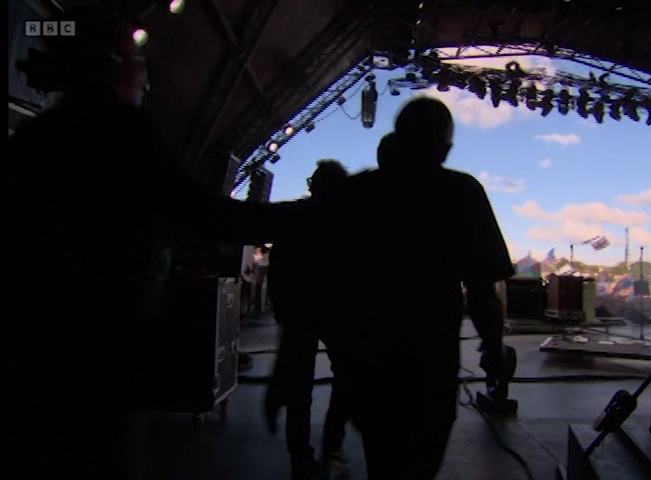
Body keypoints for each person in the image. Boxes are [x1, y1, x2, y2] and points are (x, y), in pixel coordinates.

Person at [8, 6, 300, 479]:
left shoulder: (37, 138)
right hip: (96, 339)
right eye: (135, 62)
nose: (142, 77)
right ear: (111, 64)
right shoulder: (117, 130)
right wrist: (309, 216)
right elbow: (203, 213)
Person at [334, 97, 515, 479]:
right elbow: (483, 287)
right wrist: (494, 347)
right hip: (430, 362)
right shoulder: (461, 192)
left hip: (367, 359)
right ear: (445, 148)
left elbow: (325, 278)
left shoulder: (357, 193)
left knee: (381, 459)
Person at [264, 160, 353, 480]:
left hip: (299, 313)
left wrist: (283, 309)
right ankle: (332, 439)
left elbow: (279, 267)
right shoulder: (349, 221)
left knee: (298, 388)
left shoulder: (293, 216)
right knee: (348, 377)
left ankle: (300, 456)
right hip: (336, 313)